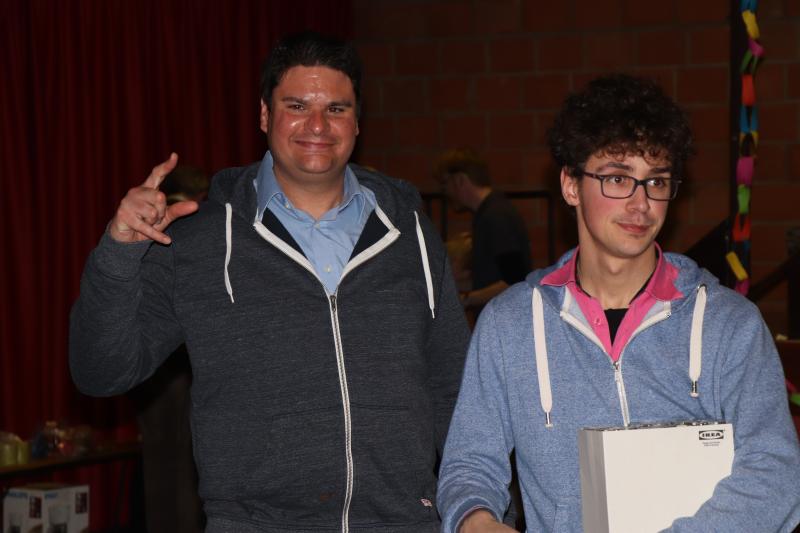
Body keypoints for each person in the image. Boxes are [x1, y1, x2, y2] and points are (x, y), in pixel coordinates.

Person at [70, 31, 470, 532]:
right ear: (264, 115)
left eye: (337, 109)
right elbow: (101, 371)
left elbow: (456, 389)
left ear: (357, 122)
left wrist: (480, 510)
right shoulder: (200, 241)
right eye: (297, 106)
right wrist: (119, 252)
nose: (318, 125)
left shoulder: (408, 231)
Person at [436, 74, 800, 532]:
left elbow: (775, 470)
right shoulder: (510, 325)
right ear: (571, 185)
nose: (641, 203)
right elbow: (469, 463)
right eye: (617, 179)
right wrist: (476, 519)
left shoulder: (728, 323)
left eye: (656, 181)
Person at [131, 165, 208, 533]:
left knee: (162, 461)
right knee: (184, 464)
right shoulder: (190, 223)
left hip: (152, 362)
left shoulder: (147, 219)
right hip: (179, 362)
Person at [436, 148, 531, 311]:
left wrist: (466, 299)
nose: (445, 191)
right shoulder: (487, 213)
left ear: (459, 180)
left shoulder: (496, 215)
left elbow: (514, 280)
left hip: (504, 317)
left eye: (446, 183)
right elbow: (490, 280)